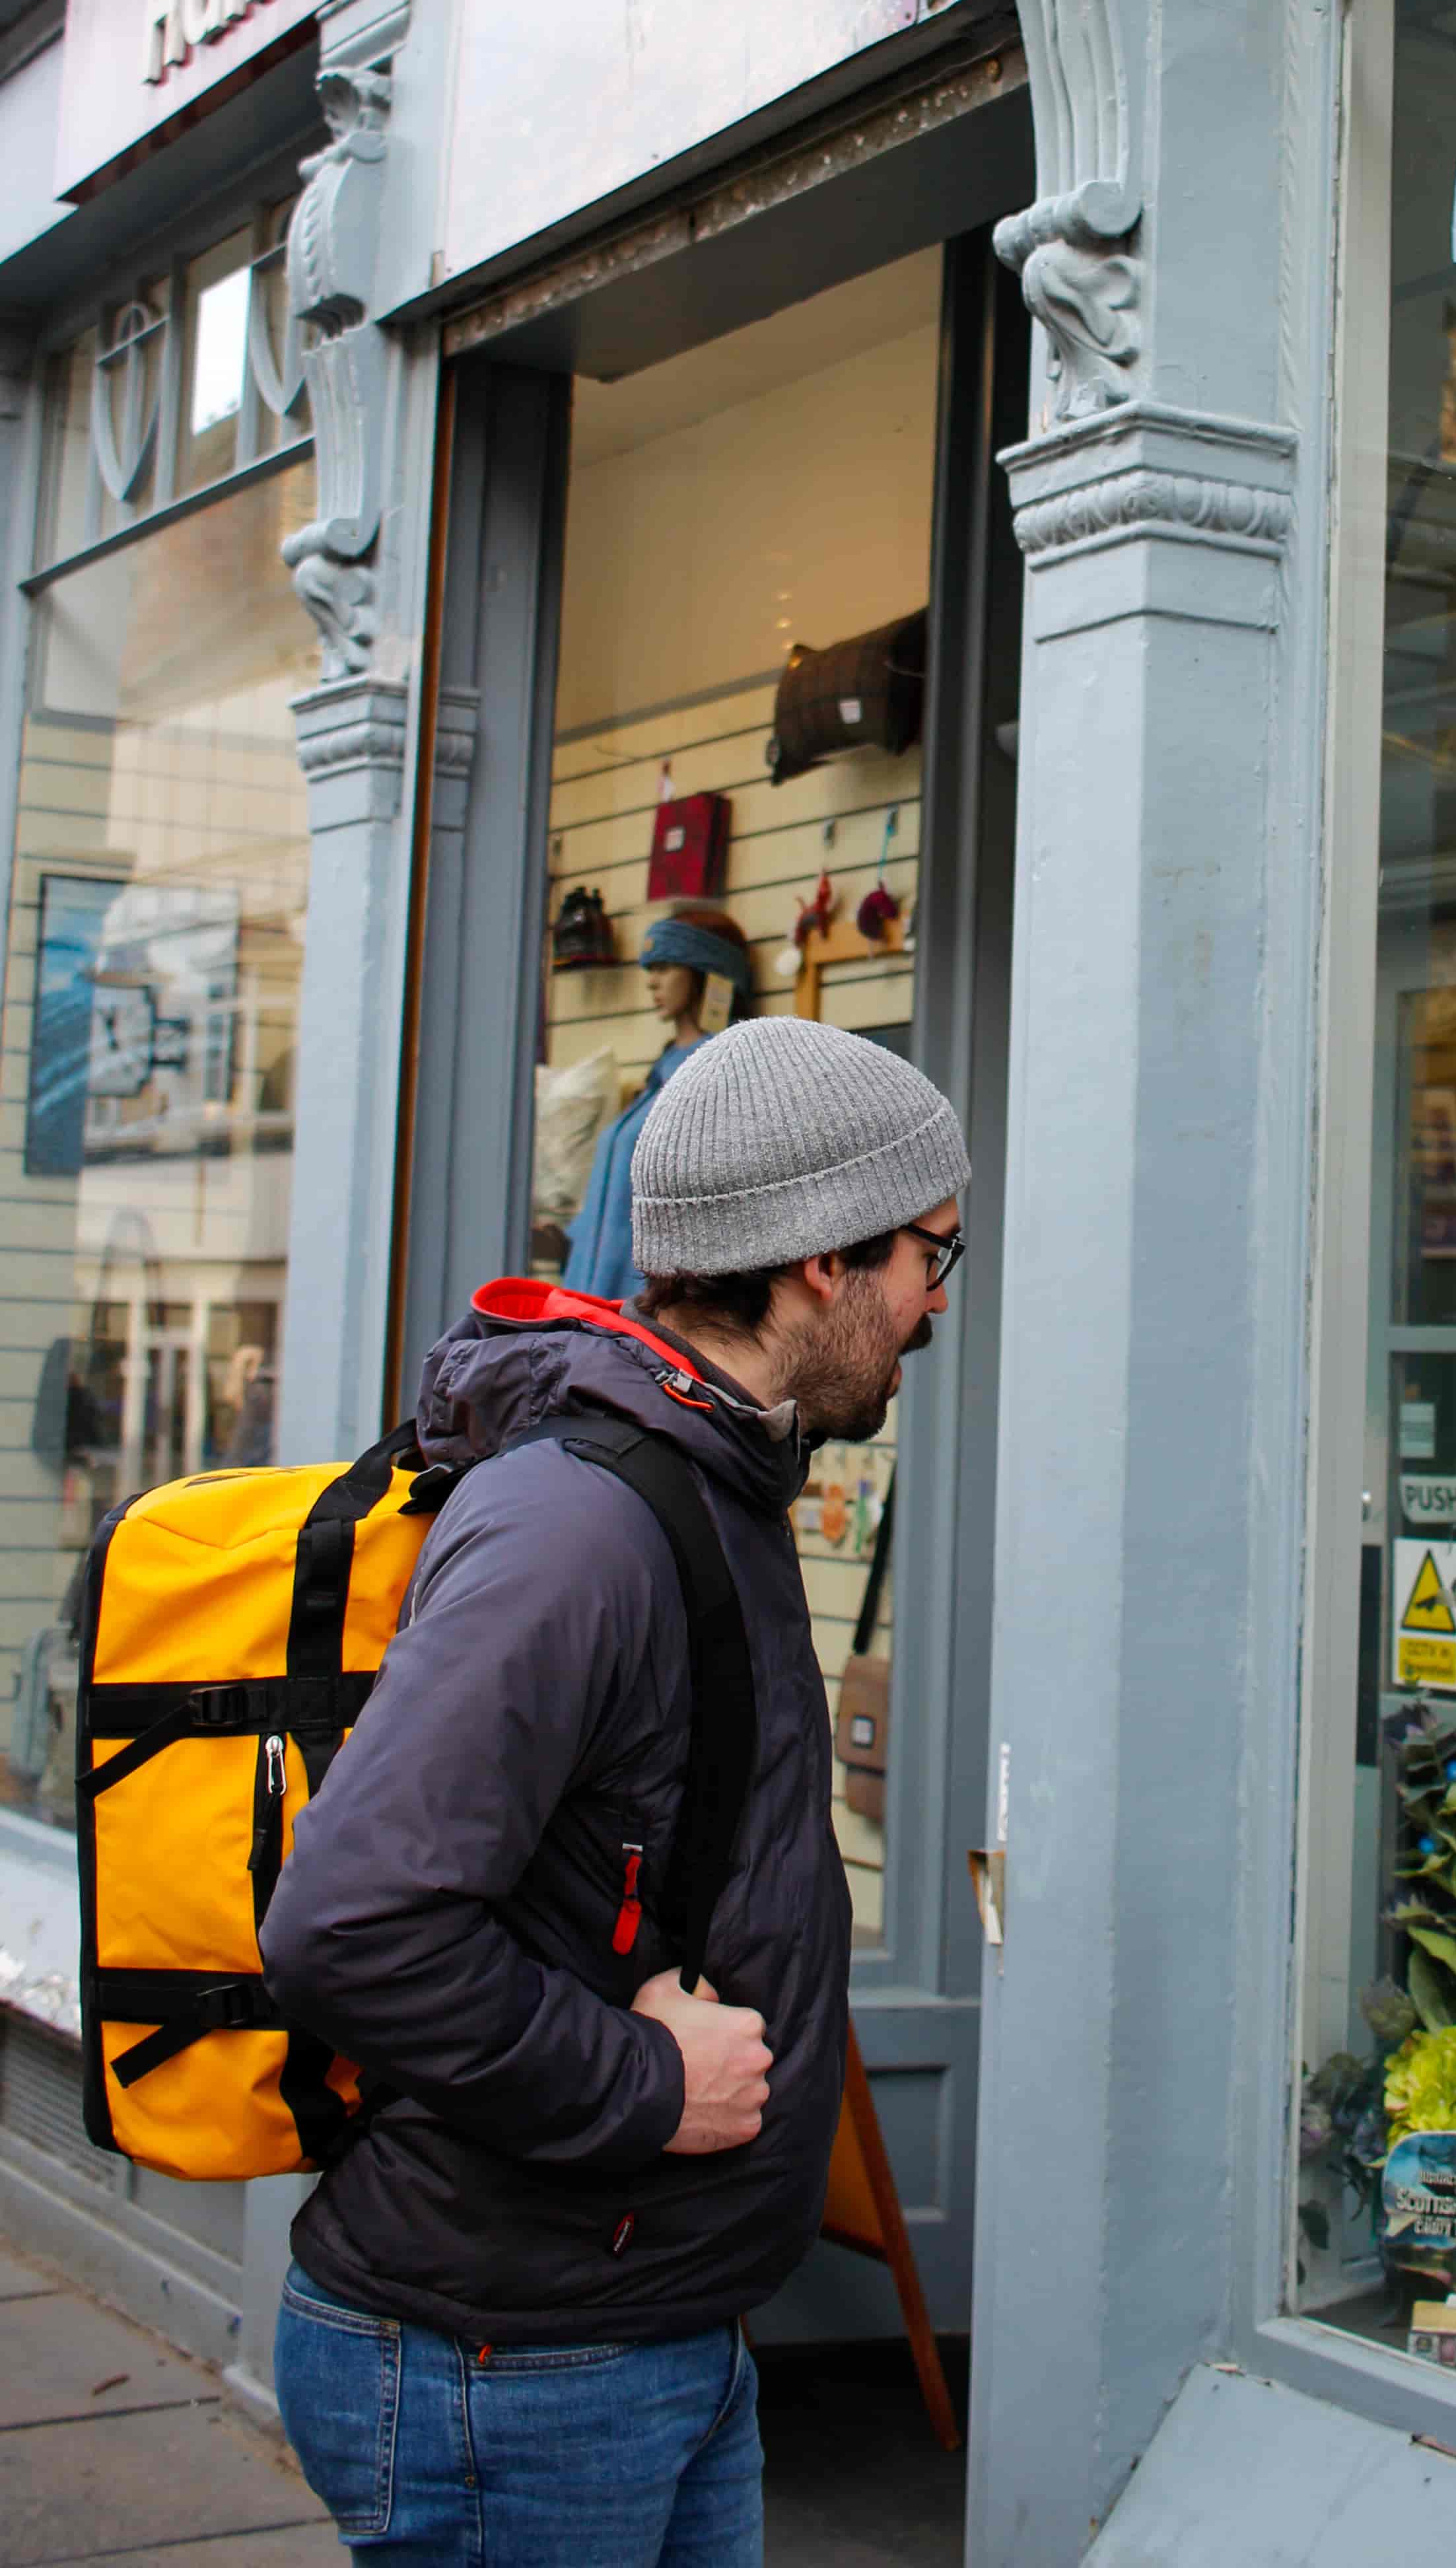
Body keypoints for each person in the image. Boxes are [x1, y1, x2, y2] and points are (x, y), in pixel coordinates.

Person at [260, 1015, 968, 2566]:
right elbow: (350, 1921)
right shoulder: (579, 1524)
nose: (931, 1304)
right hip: (507, 2366)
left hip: (636, 2328)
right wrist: (647, 2085)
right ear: (818, 1256)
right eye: (932, 1254)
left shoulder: (717, 1480)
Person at [562, 907, 757, 1301]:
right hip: (593, 1305)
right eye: (651, 969)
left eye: (666, 968)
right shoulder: (664, 1070)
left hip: (641, 1314)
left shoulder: (717, 1072)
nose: (652, 982)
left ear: (709, 972)